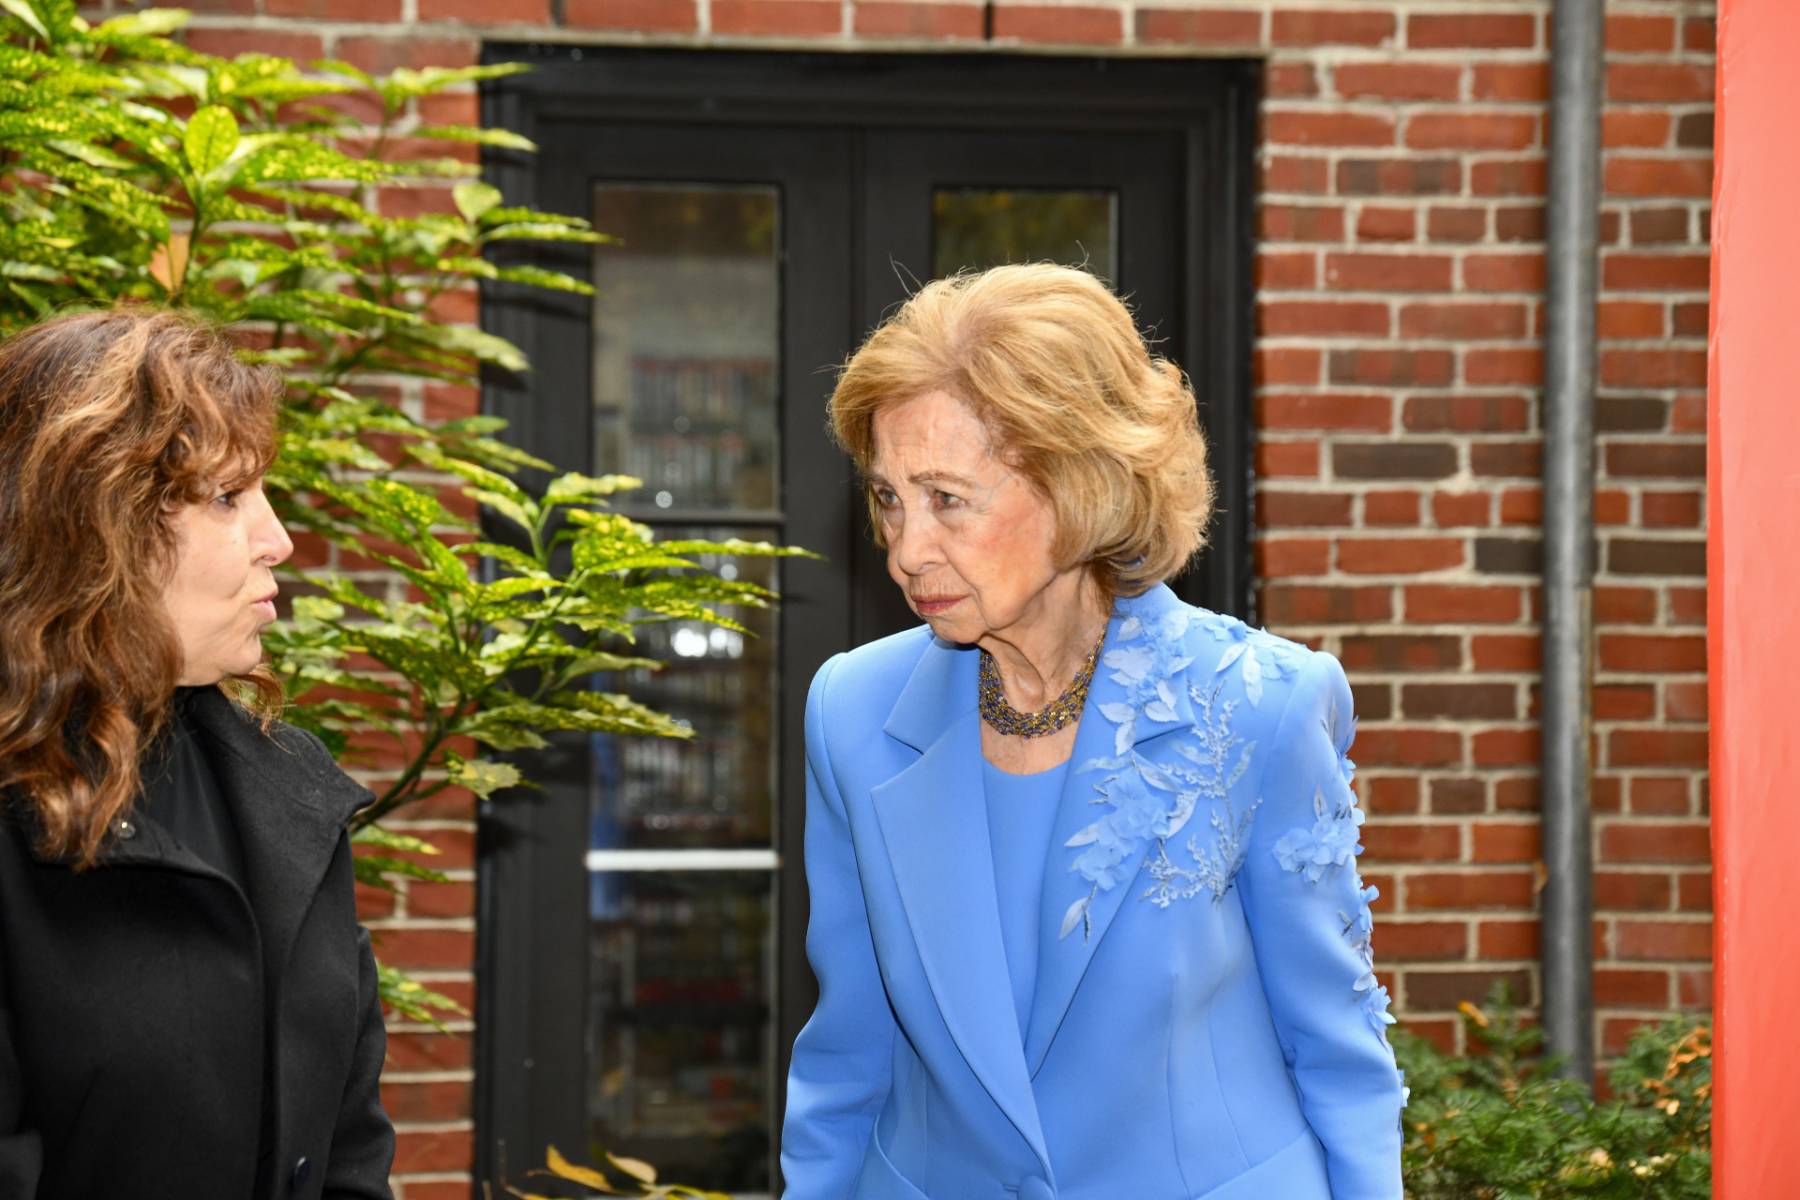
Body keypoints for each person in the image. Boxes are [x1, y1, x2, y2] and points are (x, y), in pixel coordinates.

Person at [781, 264, 1406, 1199]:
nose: (908, 550)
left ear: (1080, 484)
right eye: (887, 499)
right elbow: (847, 1056)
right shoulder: (851, 712)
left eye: (947, 498)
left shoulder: (1262, 708)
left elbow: (1337, 1052)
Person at [0, 310, 396, 1198]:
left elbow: (350, 1149)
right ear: (92, 524)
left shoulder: (288, 796)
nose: (278, 540)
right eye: (227, 499)